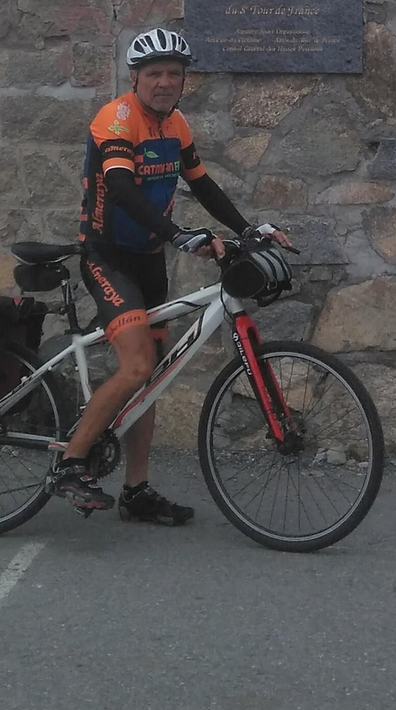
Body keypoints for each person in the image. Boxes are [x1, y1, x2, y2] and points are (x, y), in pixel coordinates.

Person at [50, 28, 289, 523]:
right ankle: (71, 463)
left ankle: (136, 492)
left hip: (148, 259)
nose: (164, 82)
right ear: (134, 77)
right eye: (154, 73)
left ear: (184, 81)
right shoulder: (116, 118)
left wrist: (249, 228)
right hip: (106, 256)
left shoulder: (176, 124)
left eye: (173, 74)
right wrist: (180, 234)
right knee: (137, 366)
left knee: (150, 382)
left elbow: (203, 186)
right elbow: (119, 189)